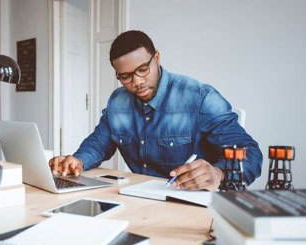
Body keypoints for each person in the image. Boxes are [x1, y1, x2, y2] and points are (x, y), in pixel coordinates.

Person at [49, 30, 262, 191]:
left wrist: (218, 173)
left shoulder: (200, 97)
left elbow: (251, 153)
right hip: (139, 198)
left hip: (190, 202)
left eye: (143, 70)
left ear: (157, 58)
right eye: (125, 76)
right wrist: (78, 160)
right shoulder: (117, 102)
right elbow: (99, 143)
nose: (137, 82)